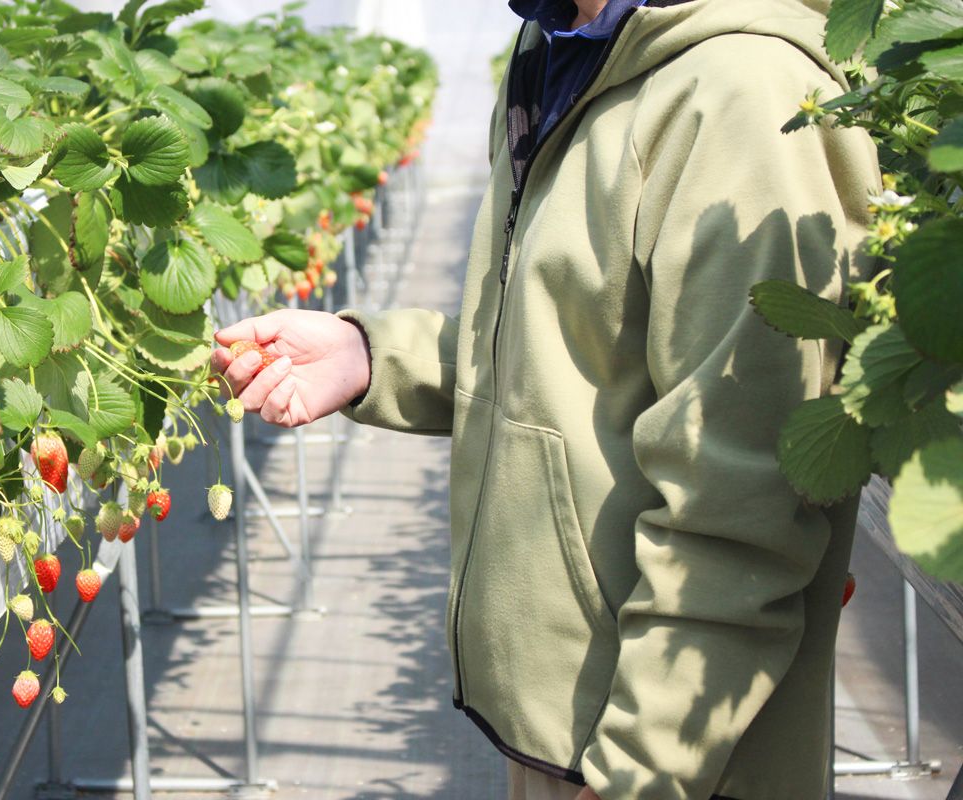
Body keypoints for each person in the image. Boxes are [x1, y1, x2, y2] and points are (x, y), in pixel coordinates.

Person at [212, 0, 879, 797]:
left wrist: (638, 768)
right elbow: (565, 339)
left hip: (659, 755)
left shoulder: (741, 96)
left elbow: (742, 505)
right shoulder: (559, 48)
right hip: (560, 719)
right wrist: (373, 355)